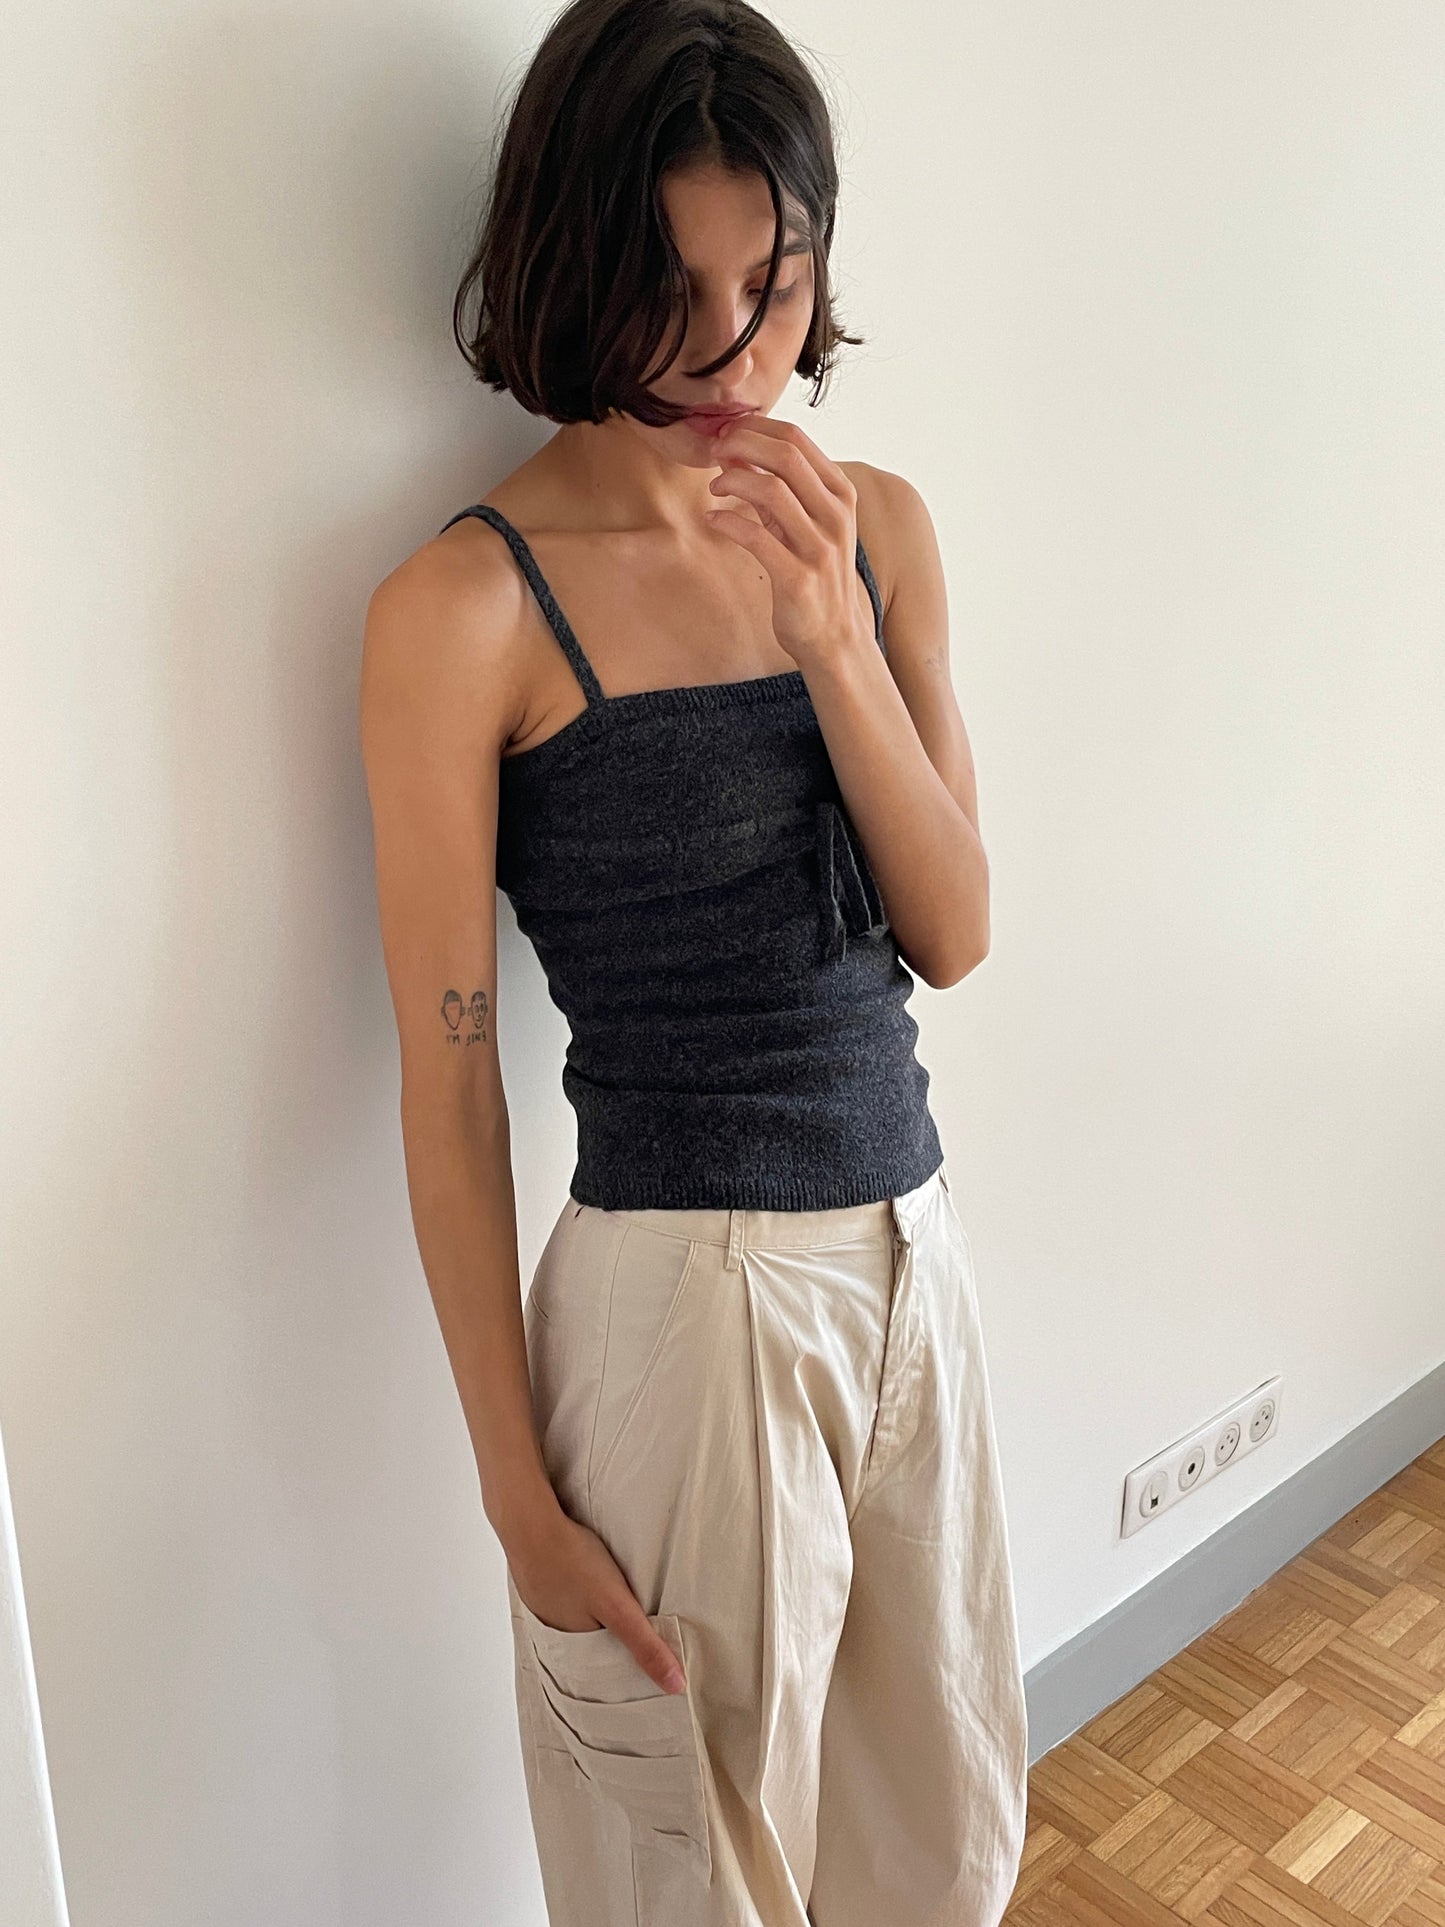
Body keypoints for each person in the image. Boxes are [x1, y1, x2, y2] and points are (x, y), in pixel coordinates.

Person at [359, 0, 1028, 1920]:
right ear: (576, 259)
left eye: (774, 274)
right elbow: (445, 1074)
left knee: (940, 1837)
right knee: (695, 1879)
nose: (736, 345)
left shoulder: (876, 532)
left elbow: (953, 936)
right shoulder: (465, 607)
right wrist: (512, 1488)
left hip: (914, 1258)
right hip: (685, 1311)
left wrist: (830, 638)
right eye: (675, 283)